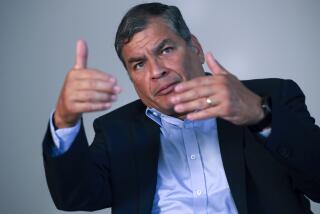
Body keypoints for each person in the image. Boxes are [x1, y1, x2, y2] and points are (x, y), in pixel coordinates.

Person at [42, 2, 320, 214]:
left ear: (195, 48)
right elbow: (75, 196)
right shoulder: (116, 130)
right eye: (139, 64)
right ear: (131, 77)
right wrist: (65, 119)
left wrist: (261, 117)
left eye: (165, 50)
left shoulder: (266, 97)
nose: (157, 71)